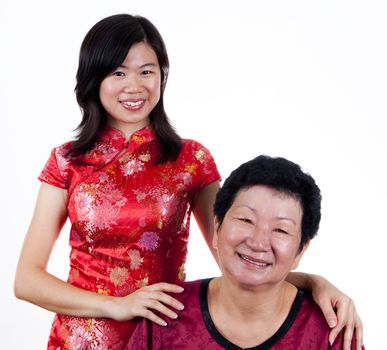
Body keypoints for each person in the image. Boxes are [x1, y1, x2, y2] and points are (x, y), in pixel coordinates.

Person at [14, 14, 361, 350]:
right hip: (80, 341)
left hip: (167, 335)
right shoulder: (67, 161)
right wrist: (117, 305)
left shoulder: (191, 160)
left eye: (146, 72)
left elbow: (237, 255)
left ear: (162, 77)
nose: (134, 86)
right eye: (118, 72)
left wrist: (316, 284)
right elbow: (27, 280)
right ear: (94, 79)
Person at [126, 155, 365, 350]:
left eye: (280, 230)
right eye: (245, 219)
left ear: (301, 249)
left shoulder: (331, 332)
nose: (258, 241)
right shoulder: (165, 316)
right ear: (217, 226)